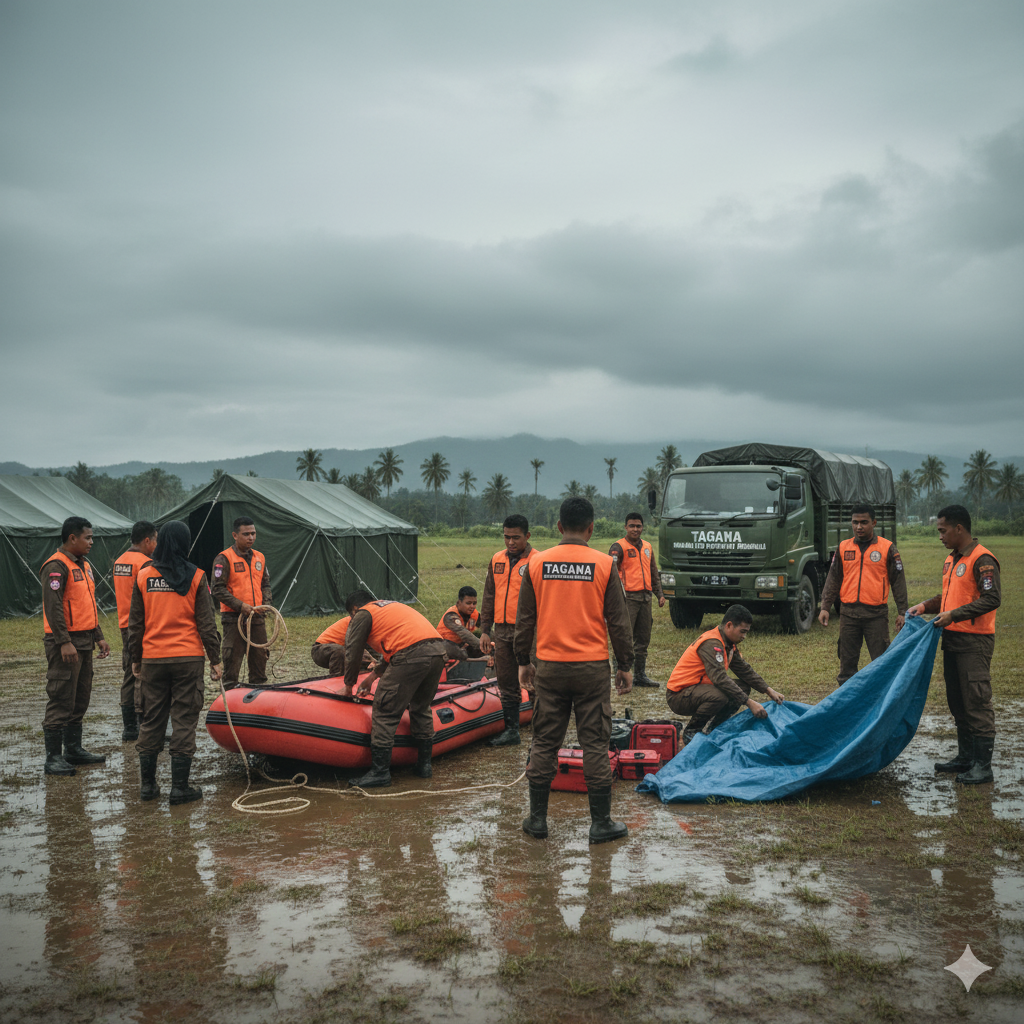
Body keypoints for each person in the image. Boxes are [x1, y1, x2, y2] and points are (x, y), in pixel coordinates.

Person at [515, 497, 634, 844]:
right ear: (592, 528)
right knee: (595, 743)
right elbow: (619, 621)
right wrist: (625, 665)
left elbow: (525, 619)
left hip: (549, 668)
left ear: (559, 527)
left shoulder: (536, 564)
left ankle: (537, 820)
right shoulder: (603, 564)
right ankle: (600, 824)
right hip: (592, 668)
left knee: (544, 740)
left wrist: (524, 660)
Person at [128, 520, 223, 804]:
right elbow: (207, 624)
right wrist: (216, 659)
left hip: (153, 659)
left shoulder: (144, 576)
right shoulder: (196, 576)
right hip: (188, 660)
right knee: (183, 721)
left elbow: (136, 624)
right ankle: (180, 789)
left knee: (151, 720)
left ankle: (148, 787)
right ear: (185, 543)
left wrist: (136, 658)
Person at [908, 505, 1001, 784]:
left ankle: (983, 767)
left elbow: (991, 599)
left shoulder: (982, 559)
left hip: (974, 643)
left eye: (942, 530)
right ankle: (965, 758)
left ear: (959, 528)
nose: (940, 536)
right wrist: (924, 606)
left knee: (976, 703)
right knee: (958, 703)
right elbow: (949, 598)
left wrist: (953, 616)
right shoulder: (953, 560)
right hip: (952, 641)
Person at [343, 591, 448, 788]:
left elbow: (353, 650)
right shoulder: (389, 607)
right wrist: (372, 677)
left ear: (355, 610)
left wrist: (348, 686)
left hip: (411, 655)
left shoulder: (363, 614)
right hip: (437, 650)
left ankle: (380, 772)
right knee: (421, 707)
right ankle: (424, 766)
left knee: (384, 709)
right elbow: (397, 644)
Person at [40, 516, 111, 775]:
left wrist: (99, 636)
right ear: (72, 538)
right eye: (88, 537)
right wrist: (64, 642)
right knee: (61, 697)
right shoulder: (56, 566)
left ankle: (73, 749)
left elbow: (87, 604)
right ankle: (53, 758)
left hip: (84, 640)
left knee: (80, 698)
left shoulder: (84, 564)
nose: (91, 542)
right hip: (65, 643)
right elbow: (54, 607)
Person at [665, 604, 784, 744]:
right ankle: (692, 730)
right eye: (742, 631)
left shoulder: (728, 643)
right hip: (679, 695)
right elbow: (720, 679)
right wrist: (749, 703)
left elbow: (745, 670)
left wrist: (768, 690)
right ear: (729, 625)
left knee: (743, 688)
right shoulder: (712, 643)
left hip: (697, 689)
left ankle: (715, 729)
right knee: (721, 696)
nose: (744, 636)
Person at [818, 504, 908, 686]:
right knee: (846, 667)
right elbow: (833, 578)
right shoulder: (844, 547)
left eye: (864, 522)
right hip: (848, 615)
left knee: (881, 662)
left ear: (873, 523)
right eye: (855, 522)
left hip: (876, 615)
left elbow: (898, 581)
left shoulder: (887, 548)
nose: (859, 527)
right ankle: (848, 706)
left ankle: (881, 705)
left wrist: (902, 611)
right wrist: (825, 607)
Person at [479, 514, 541, 747]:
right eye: (506, 537)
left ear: (527, 536)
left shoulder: (538, 560)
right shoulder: (497, 559)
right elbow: (489, 595)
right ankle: (511, 730)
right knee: (506, 683)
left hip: (530, 631)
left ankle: (539, 734)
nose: (510, 542)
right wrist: (486, 629)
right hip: (502, 632)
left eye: (515, 538)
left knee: (535, 681)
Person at [210, 517, 272, 686]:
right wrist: (240, 606)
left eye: (253, 533)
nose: (251, 537)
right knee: (232, 667)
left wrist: (265, 604)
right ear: (235, 535)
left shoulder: (260, 557)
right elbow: (217, 589)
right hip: (233, 619)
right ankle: (230, 706)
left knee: (260, 663)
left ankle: (257, 704)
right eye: (246, 534)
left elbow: (265, 584)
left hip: (257, 619)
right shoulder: (224, 558)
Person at [112, 521, 158, 741]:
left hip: (124, 624)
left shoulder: (119, 561)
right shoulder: (146, 563)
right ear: (147, 540)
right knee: (141, 674)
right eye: (155, 540)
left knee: (129, 674)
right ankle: (140, 723)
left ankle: (129, 726)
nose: (156, 545)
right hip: (142, 625)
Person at [608, 512, 665, 688]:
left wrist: (659, 594)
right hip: (628, 599)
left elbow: (653, 572)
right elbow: (611, 574)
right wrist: (616, 597)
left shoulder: (648, 546)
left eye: (638, 526)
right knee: (624, 637)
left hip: (645, 598)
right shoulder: (618, 547)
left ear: (642, 527)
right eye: (631, 526)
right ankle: (619, 673)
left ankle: (640, 675)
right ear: (625, 527)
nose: (635, 529)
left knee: (643, 639)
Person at [310, 614, 374, 690]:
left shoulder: (370, 622)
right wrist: (372, 660)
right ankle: (336, 683)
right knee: (340, 652)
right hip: (320, 649)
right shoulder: (360, 620)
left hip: (343, 649)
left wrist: (374, 662)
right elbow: (356, 644)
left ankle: (360, 685)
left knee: (366, 661)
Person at [436, 586, 483, 661]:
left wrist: (493, 643)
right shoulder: (451, 615)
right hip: (443, 644)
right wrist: (483, 645)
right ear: (459, 603)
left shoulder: (475, 614)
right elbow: (464, 634)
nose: (472, 606)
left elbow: (486, 627)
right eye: (468, 603)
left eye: (474, 603)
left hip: (460, 644)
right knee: (461, 654)